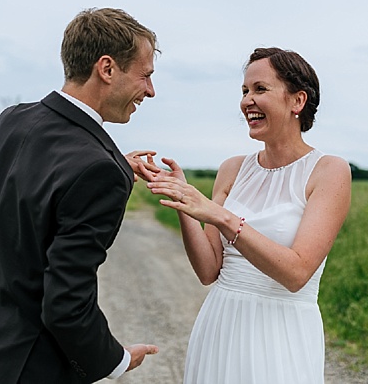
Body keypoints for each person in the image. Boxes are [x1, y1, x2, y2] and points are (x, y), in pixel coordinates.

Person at [0, 8, 161, 384]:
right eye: (145, 75)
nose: (150, 90)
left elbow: (41, 186)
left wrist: (115, 165)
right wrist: (115, 360)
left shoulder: (12, 121)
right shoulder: (98, 170)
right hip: (36, 371)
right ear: (107, 68)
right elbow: (65, 306)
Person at [138, 47, 352, 383]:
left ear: (298, 101)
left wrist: (221, 216)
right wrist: (182, 200)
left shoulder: (329, 171)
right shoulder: (233, 169)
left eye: (260, 89)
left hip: (281, 332)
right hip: (220, 324)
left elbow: (296, 273)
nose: (247, 101)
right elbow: (209, 270)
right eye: (244, 91)